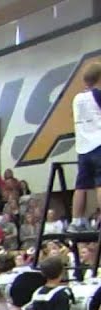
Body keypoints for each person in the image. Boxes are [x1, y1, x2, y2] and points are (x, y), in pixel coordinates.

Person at [68, 62, 101, 234]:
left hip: (82, 148)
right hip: (98, 144)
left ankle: (76, 221)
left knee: (80, 186)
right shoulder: (98, 94)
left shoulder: (77, 98)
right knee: (100, 183)